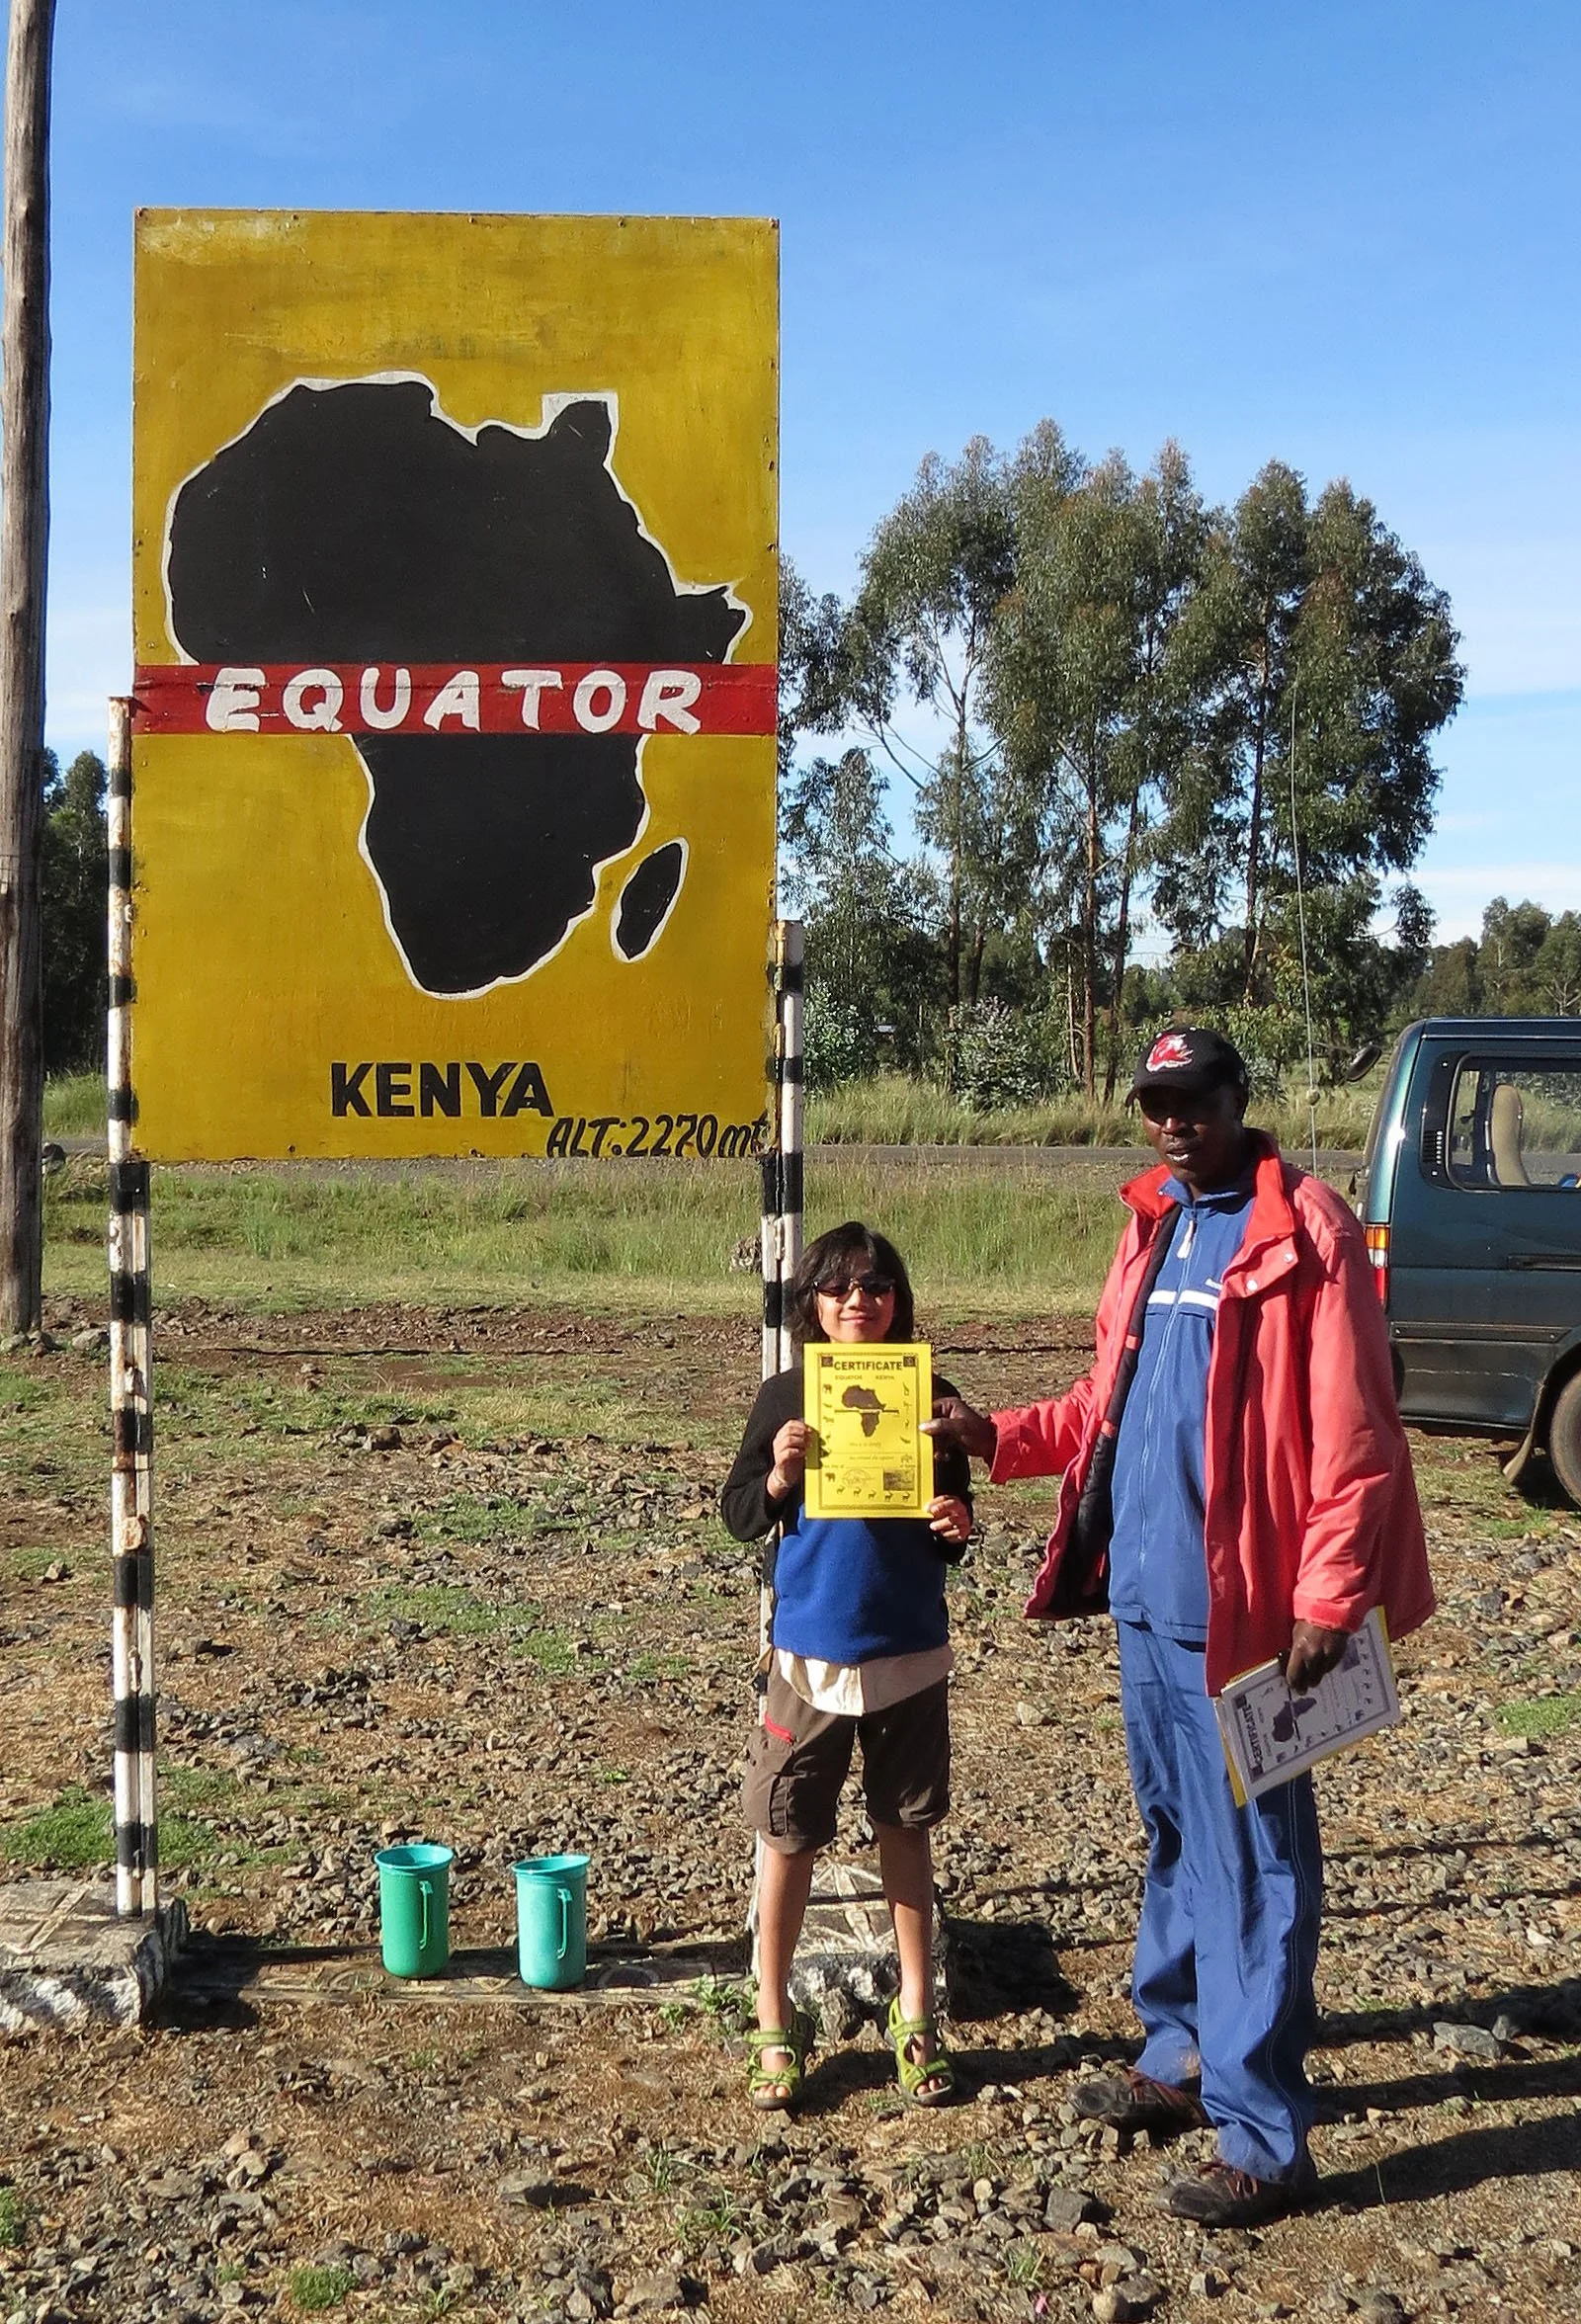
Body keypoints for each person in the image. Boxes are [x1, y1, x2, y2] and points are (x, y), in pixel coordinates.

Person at [928, 1028, 1434, 2225]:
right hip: (1148, 1599)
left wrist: (1326, 1597)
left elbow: (1357, 1439)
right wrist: (996, 1436)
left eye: (1190, 1099)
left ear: (1235, 1098)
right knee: (1171, 1827)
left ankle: (1262, 2137)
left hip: (1250, 1617)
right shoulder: (1156, 1225)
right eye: (1153, 1102)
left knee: (1256, 1862)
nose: (1169, 1121)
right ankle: (1177, 2053)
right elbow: (1109, 1405)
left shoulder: (1305, 1231)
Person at [720, 1220, 973, 2112]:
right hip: (810, 1659)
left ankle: (917, 2014)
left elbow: (951, 1528)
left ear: (898, 1300)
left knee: (907, 1827)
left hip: (908, 1652)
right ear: (811, 1306)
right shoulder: (785, 1394)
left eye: (874, 1287)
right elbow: (741, 1513)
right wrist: (781, 1478)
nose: (856, 1302)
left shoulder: (931, 1394)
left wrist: (955, 1526)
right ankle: (771, 2017)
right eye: (836, 1289)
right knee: (787, 1829)